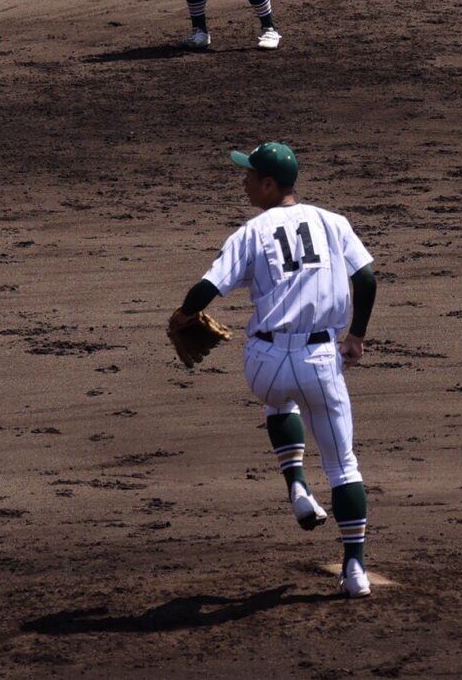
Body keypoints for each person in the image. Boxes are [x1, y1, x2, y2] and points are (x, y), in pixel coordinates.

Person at [168, 141, 379, 598]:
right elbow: (365, 278)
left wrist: (184, 316)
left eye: (248, 176)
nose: (243, 182)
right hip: (322, 360)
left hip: (264, 363)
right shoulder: (333, 222)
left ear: (268, 183)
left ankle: (297, 487)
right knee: (343, 466)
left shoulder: (251, 232)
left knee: (278, 399)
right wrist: (356, 335)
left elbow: (207, 288)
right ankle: (356, 569)